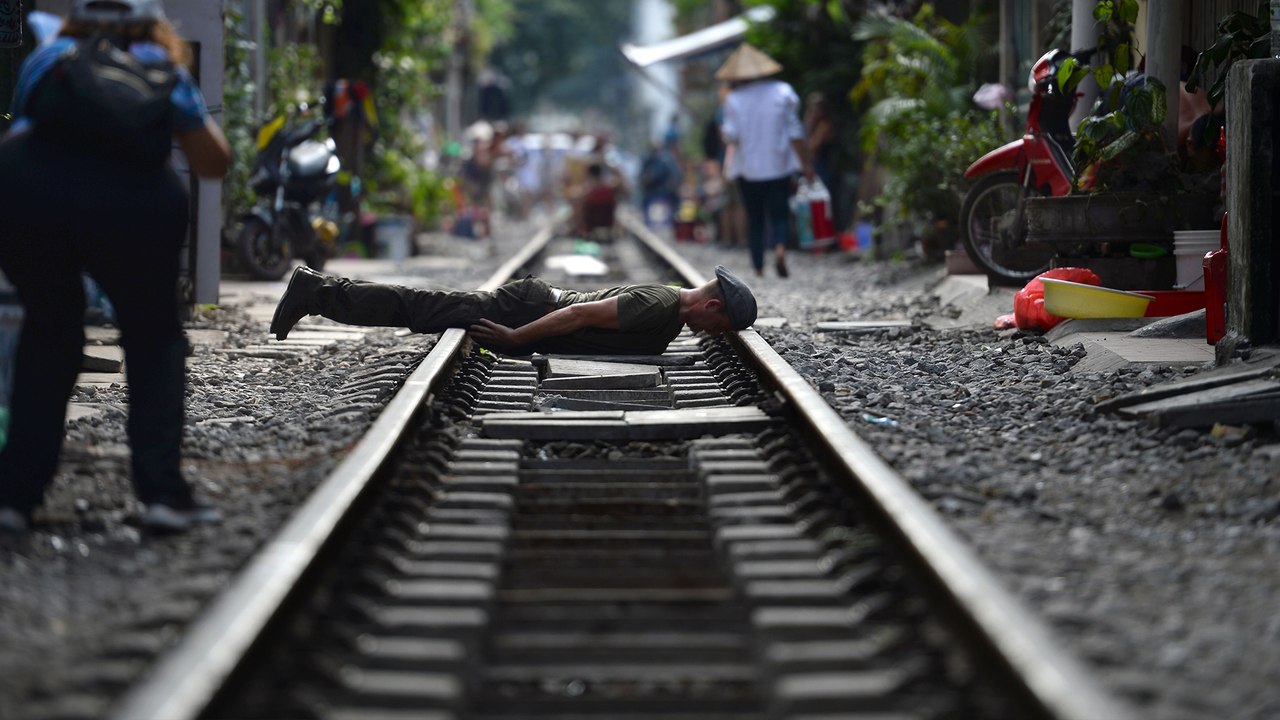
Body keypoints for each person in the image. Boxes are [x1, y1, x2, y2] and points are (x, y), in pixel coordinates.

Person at [0, 0, 232, 535]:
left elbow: (22, 129)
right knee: (153, 339)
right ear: (152, 23)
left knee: (49, 332)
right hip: (136, 207)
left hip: (34, 196)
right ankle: (162, 494)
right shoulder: (159, 65)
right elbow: (212, 162)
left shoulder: (50, 56)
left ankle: (14, 497)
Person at [269, 264, 758, 357]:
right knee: (419, 308)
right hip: (529, 308)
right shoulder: (660, 305)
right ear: (712, 305)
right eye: (721, 325)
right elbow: (579, 316)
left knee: (422, 308)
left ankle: (321, 292)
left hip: (533, 307)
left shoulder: (672, 314)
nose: (717, 333)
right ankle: (318, 290)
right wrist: (517, 338)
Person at [717, 43, 815, 278]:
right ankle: (780, 247)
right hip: (779, 165)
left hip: (748, 169)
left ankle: (758, 267)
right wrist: (807, 165)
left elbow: (731, 136)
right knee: (780, 213)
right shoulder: (783, 91)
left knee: (755, 218)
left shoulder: (733, 100)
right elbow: (795, 132)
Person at [573, 162, 620, 239]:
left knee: (579, 206)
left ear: (589, 175)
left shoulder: (588, 192)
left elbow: (579, 206)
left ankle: (579, 230)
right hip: (608, 222)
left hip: (591, 224)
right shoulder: (610, 188)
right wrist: (615, 170)